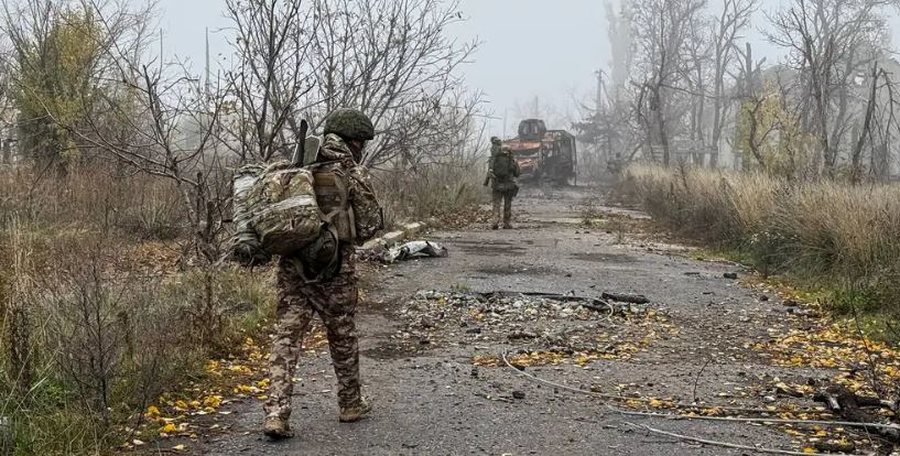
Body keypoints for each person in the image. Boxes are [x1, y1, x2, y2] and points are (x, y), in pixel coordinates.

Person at [263, 108, 382, 439]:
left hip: (293, 268)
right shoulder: (352, 172)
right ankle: (350, 404)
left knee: (287, 337)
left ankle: (276, 413)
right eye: (362, 143)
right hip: (336, 269)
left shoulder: (296, 164)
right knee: (342, 334)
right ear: (354, 142)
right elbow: (368, 228)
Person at [490, 144, 520, 230]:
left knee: (496, 204)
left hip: (497, 185)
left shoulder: (495, 159)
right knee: (507, 204)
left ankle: (495, 222)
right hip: (509, 186)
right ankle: (506, 223)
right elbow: (517, 174)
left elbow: (490, 172)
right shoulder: (512, 160)